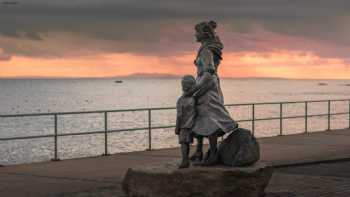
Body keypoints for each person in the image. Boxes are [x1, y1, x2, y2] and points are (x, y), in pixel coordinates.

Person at [188, 21, 239, 166]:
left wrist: (196, 90)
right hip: (207, 84)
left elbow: (209, 71)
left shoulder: (206, 51)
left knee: (210, 119)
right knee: (199, 117)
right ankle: (199, 151)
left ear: (203, 34)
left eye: (197, 32)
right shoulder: (207, 48)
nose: (195, 35)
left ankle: (213, 154)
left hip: (206, 86)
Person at [175, 75, 197, 168]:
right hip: (192, 125)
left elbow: (179, 116)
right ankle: (186, 159)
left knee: (183, 143)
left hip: (184, 126)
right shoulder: (194, 99)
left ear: (183, 86)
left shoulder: (181, 100)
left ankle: (185, 160)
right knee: (187, 142)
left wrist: (177, 127)